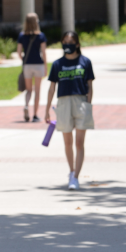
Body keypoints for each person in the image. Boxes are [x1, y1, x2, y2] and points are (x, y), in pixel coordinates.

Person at [44, 30, 94, 190]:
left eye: (71, 42)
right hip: (63, 103)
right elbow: (51, 88)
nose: (67, 45)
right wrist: (46, 110)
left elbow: (90, 87)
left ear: (77, 44)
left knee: (79, 143)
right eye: (65, 41)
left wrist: (88, 105)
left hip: (81, 102)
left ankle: (76, 177)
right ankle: (71, 171)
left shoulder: (85, 61)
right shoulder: (58, 64)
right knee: (67, 142)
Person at [17, 12, 47, 122]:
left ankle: (26, 106)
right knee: (37, 91)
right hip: (38, 65)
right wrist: (45, 67)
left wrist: (24, 60)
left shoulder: (22, 35)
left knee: (29, 90)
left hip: (27, 65)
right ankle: (35, 115)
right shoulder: (41, 36)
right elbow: (44, 53)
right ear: (36, 22)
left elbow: (19, 52)